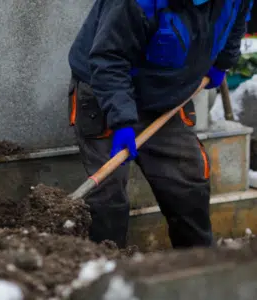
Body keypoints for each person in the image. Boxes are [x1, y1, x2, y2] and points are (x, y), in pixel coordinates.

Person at [68, 0, 253, 249]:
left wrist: (223, 61)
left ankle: (197, 266)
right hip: (106, 92)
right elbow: (109, 59)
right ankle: (108, 273)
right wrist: (122, 122)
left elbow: (236, 18)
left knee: (187, 182)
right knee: (107, 201)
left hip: (165, 97)